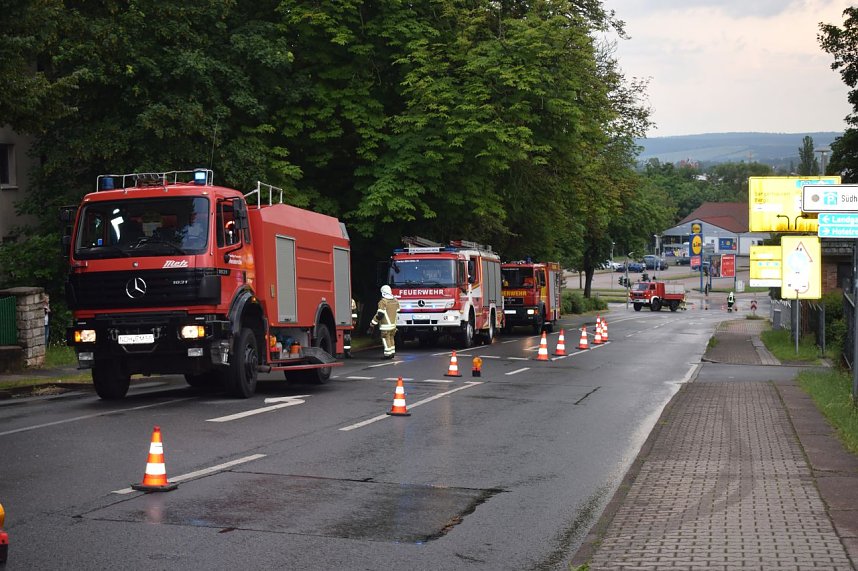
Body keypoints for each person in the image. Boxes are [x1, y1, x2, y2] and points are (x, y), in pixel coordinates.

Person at [368, 285, 400, 359]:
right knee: (391, 338)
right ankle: (392, 352)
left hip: (385, 326)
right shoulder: (395, 300)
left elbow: (380, 314)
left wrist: (372, 323)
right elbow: (398, 310)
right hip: (393, 325)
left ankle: (387, 354)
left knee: (385, 339)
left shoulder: (383, 302)